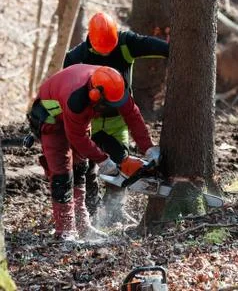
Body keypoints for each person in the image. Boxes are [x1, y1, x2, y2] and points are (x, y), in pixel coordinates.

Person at [27, 64, 160, 240]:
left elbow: (133, 116)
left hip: (78, 120)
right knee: (63, 174)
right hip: (51, 120)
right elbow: (77, 138)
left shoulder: (115, 86)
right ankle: (65, 230)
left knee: (80, 169)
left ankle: (83, 226)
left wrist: (148, 148)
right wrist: (103, 160)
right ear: (95, 96)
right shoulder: (77, 100)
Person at [63, 12, 169, 225]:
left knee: (122, 161)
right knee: (87, 167)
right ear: (90, 40)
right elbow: (65, 93)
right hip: (87, 120)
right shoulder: (75, 57)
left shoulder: (126, 43)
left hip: (118, 115)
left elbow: (157, 47)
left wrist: (175, 48)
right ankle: (91, 213)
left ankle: (114, 210)